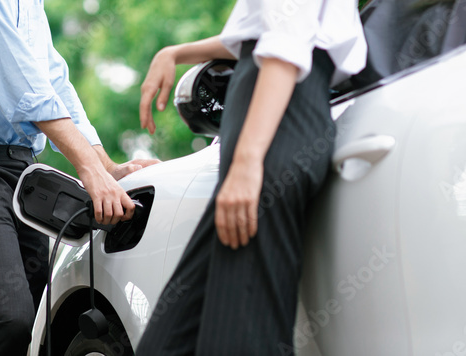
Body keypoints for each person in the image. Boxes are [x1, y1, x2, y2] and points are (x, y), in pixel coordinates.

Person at [0, 0, 157, 354]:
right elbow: (15, 73)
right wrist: (87, 168)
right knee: (9, 317)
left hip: (22, 172)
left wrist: (106, 167)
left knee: (33, 320)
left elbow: (51, 78)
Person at [135, 0, 367, 354]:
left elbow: (285, 42)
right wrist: (177, 52)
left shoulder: (255, 154)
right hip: (266, 137)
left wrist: (247, 161)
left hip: (274, 135)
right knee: (168, 342)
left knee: (239, 340)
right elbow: (262, 31)